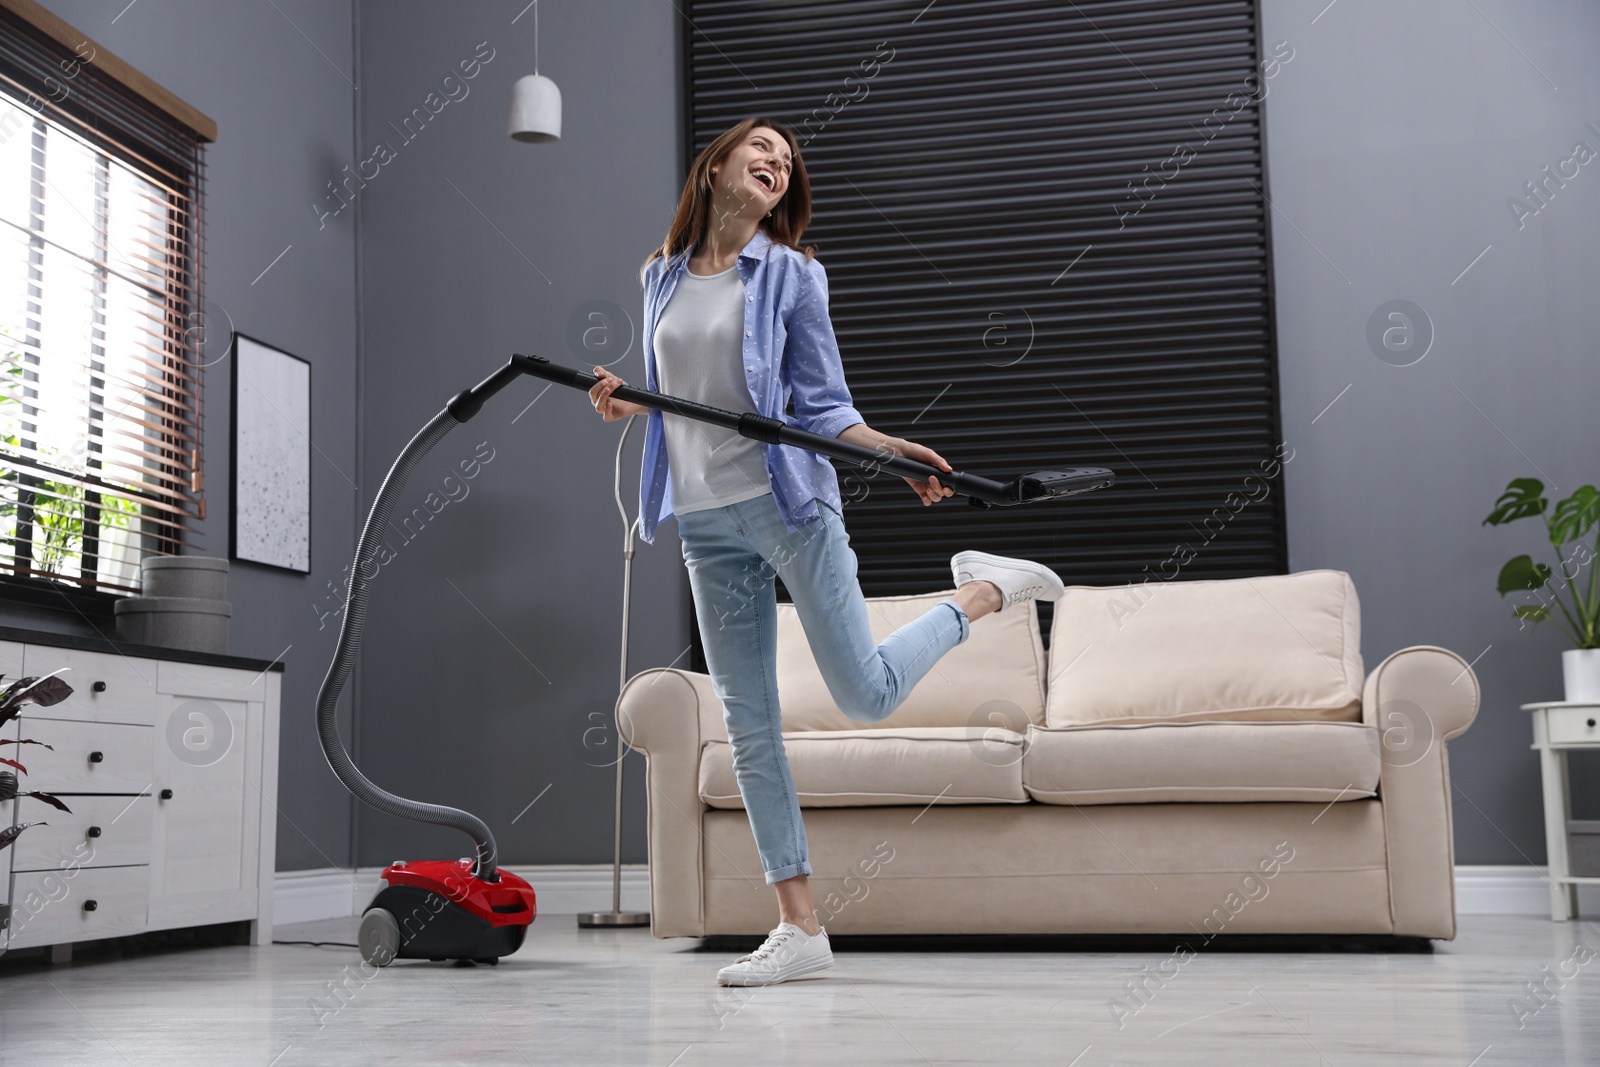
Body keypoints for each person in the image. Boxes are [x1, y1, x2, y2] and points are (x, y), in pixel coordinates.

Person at [589, 116, 1063, 986]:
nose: (778, 160)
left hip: (785, 505)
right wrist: (636, 402)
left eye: (789, 157)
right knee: (749, 723)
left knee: (865, 692)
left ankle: (985, 593)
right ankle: (800, 925)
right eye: (761, 147)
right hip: (702, 521)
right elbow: (689, 388)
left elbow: (823, 404)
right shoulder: (659, 274)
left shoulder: (797, 277)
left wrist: (890, 449)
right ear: (718, 165)